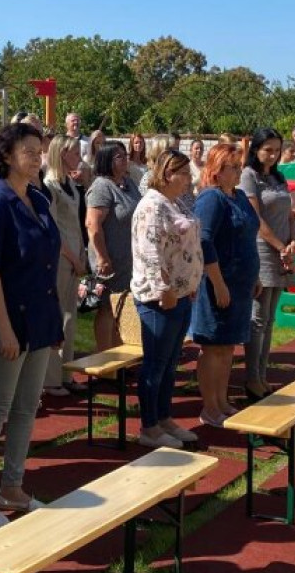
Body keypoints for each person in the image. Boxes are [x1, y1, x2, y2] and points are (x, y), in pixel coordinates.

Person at [0, 123, 63, 530]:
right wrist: (5, 329)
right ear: (5, 155)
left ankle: (13, 486)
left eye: (39, 150)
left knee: (26, 408)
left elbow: (47, 262)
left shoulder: (38, 199)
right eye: (28, 150)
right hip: (5, 323)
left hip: (38, 319)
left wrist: (52, 322)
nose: (37, 157)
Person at [130, 150, 203, 448]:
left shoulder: (173, 202)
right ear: (167, 174)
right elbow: (150, 253)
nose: (188, 179)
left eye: (188, 173)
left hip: (181, 293)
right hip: (160, 298)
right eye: (183, 173)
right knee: (156, 364)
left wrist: (189, 282)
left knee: (171, 363)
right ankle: (149, 427)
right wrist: (165, 289)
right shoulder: (151, 206)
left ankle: (163, 418)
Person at [190, 144, 259, 426]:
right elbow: (203, 240)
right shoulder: (211, 198)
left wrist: (254, 276)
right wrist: (218, 284)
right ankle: (209, 407)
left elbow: (249, 236)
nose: (239, 171)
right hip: (218, 284)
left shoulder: (239, 196)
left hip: (240, 286)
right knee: (213, 347)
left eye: (240, 166)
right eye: (234, 167)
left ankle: (222, 401)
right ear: (217, 171)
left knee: (228, 346)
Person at [239, 128, 294, 401]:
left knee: (270, 320)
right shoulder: (248, 176)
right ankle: (252, 379)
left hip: (284, 251)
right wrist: (280, 246)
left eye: (277, 150)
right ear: (256, 149)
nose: (273, 155)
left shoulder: (278, 177)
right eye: (267, 150)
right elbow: (255, 218)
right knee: (258, 319)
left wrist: (293, 243)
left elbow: (290, 214)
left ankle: (262, 375)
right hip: (262, 250)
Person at [43, 135, 88, 396]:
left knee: (71, 317)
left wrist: (81, 254)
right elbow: (54, 230)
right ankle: (51, 379)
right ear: (61, 154)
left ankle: (67, 372)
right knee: (56, 316)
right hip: (60, 258)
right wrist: (73, 257)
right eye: (74, 153)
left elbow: (75, 224)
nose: (79, 157)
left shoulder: (70, 183)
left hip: (75, 255)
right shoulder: (49, 185)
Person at [86, 142, 141, 351]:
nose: (125, 159)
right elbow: (93, 225)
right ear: (106, 160)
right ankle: (104, 355)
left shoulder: (128, 182)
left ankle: (119, 356)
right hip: (109, 260)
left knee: (123, 307)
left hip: (128, 259)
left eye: (125, 155)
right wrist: (102, 257)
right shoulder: (101, 186)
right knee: (107, 308)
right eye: (119, 157)